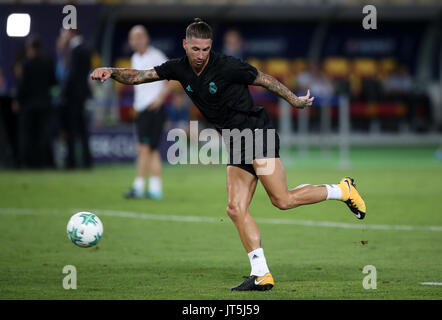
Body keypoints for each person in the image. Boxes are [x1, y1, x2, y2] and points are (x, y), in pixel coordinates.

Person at [90, 18, 367, 292]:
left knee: (281, 200)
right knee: (235, 209)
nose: (200, 55)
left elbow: (266, 80)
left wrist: (295, 100)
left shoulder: (227, 65)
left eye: (206, 49)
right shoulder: (178, 68)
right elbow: (140, 76)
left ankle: (342, 190)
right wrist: (110, 71)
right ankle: (261, 274)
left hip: (257, 134)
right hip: (235, 141)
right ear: (185, 45)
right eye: (195, 49)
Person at [124, 25, 170, 200]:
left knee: (144, 149)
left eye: (140, 36)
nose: (137, 40)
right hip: (142, 109)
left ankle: (139, 186)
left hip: (153, 109)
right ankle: (156, 189)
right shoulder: (135, 57)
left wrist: (159, 99)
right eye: (133, 37)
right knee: (151, 149)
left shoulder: (156, 56)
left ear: (146, 38)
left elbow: (171, 78)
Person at [15, 36, 56, 169]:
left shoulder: (26, 64)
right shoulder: (48, 62)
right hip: (44, 104)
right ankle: (44, 163)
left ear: (30, 48)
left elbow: (23, 86)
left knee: (27, 134)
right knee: (44, 134)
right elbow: (53, 82)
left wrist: (17, 100)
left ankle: (26, 163)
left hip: (28, 105)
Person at [60, 29, 93, 169]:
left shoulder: (75, 49)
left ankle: (71, 161)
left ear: (72, 33)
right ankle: (86, 160)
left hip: (73, 95)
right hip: (82, 94)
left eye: (64, 32)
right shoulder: (85, 47)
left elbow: (72, 74)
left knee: (72, 128)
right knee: (83, 128)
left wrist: (64, 93)